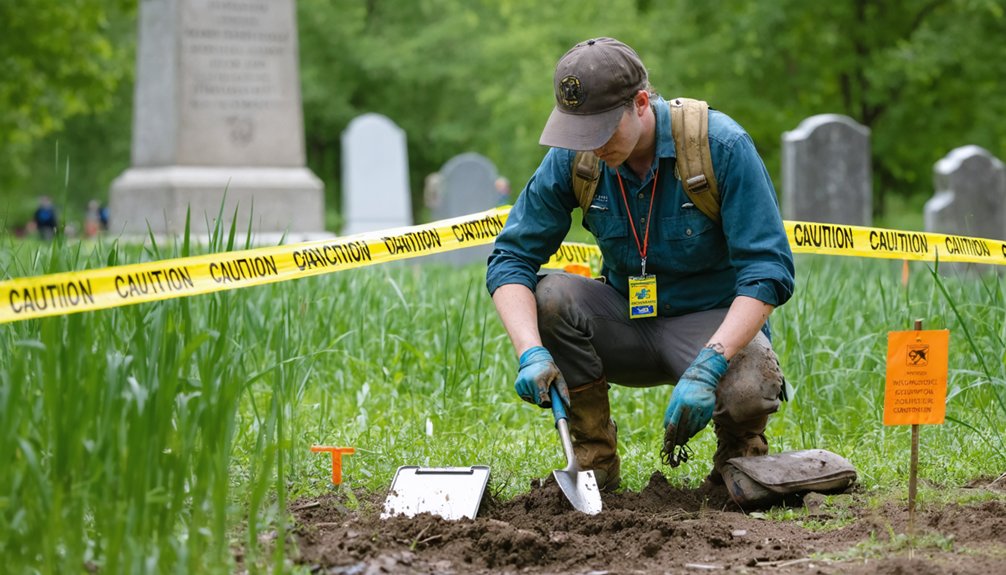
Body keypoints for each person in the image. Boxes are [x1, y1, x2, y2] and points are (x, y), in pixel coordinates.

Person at [486, 38, 795, 492]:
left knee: (750, 381)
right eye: (579, 132)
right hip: (624, 319)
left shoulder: (721, 146)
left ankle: (740, 460)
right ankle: (593, 462)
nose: (589, 144)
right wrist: (530, 352)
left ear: (641, 103)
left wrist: (711, 364)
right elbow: (511, 257)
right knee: (548, 297)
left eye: (602, 129)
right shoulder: (577, 159)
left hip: (710, 328)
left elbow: (768, 272)